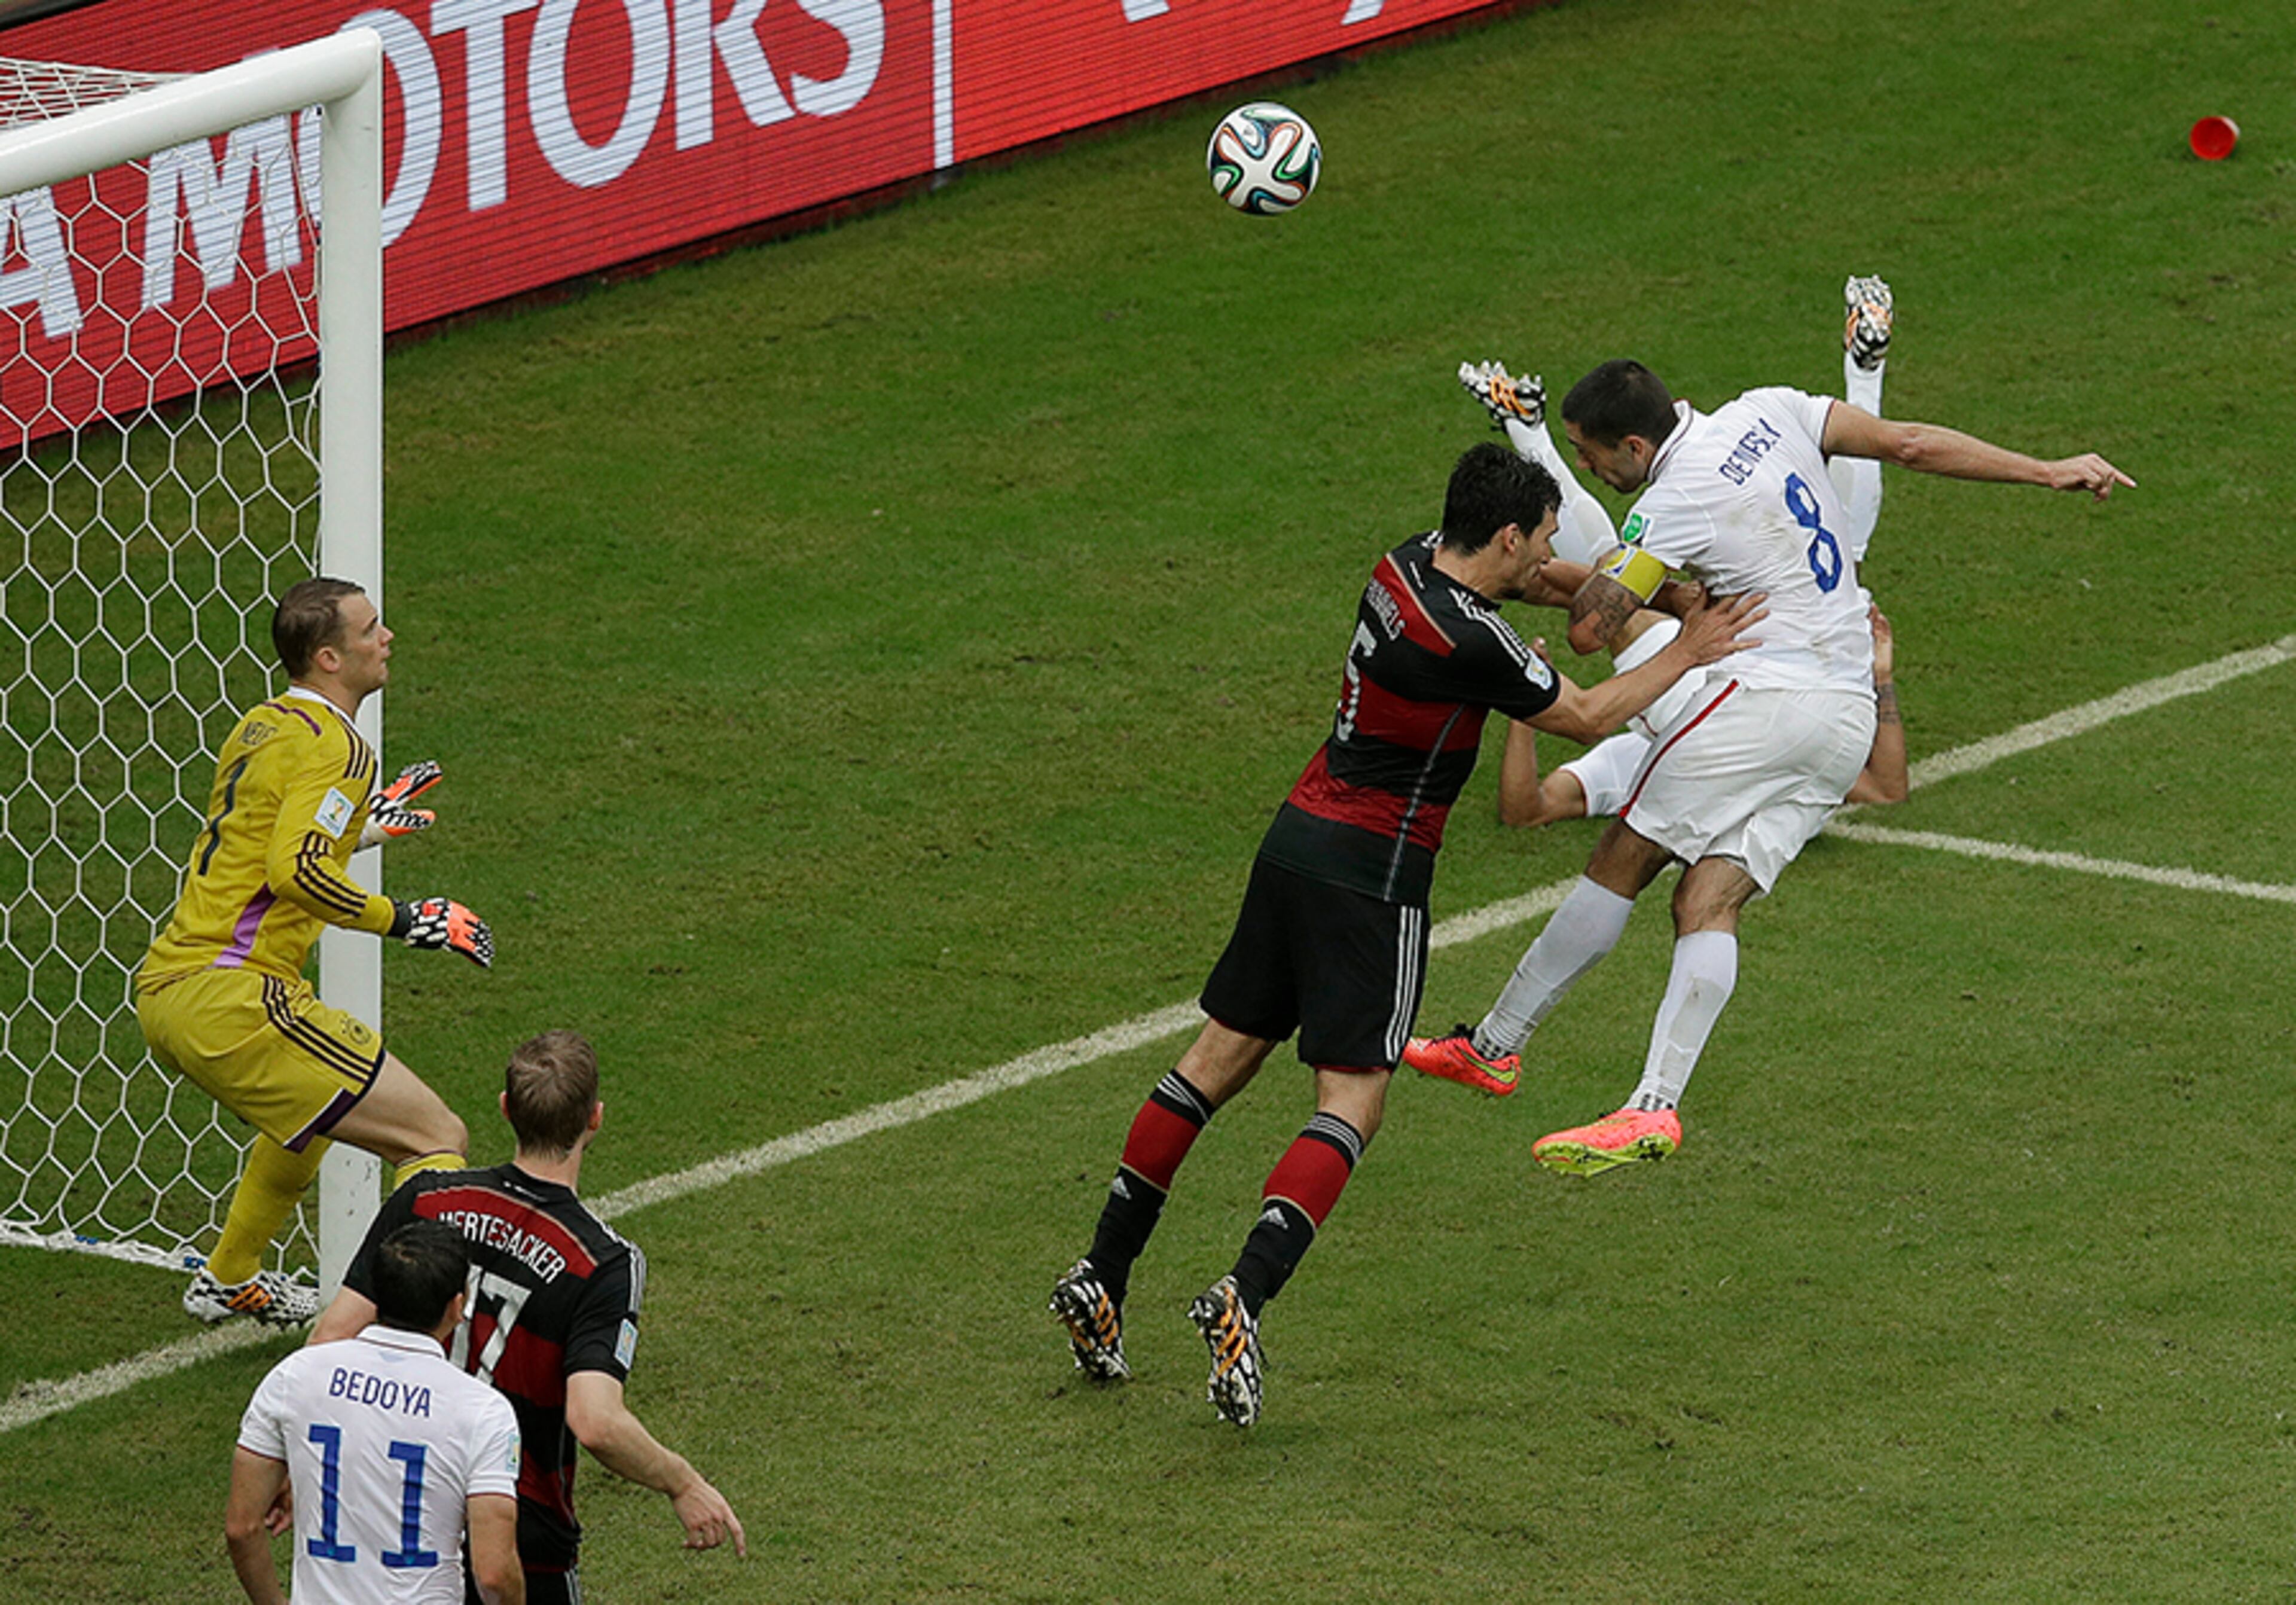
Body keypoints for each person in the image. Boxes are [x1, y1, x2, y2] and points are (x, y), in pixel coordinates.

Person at [1047, 444, 1766, 1427]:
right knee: (1354, 1097)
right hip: (1372, 877)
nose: (1552, 555)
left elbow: (1547, 588)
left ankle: (1101, 1272)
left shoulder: (1406, 562)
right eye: (1544, 539)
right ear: (1506, 534)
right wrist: (1691, 644)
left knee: (1213, 1059)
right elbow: (1589, 708)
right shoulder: (1473, 642)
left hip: (1295, 839)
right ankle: (1241, 1298)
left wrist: (1646, 592)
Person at [1405, 340, 2131, 1173]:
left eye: (1588, 452)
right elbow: (1912, 444)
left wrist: (1609, 576)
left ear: (1634, 448)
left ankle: (1496, 1044)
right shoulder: (1772, 406)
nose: (1585, 465)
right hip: (1846, 712)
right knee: (1709, 898)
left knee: (1625, 851)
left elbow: (1591, 630)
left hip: (1768, 701)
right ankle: (1653, 1108)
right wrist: (2047, 469)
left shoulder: (1670, 502)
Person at [138, 577, 494, 1327]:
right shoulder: (341, 744)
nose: (387, 636)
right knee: (435, 1136)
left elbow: (267, 841)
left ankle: (230, 1275)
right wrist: (406, 918)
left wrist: (365, 829)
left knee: (310, 1117)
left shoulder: (263, 725)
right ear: (330, 657)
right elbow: (293, 871)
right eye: (370, 630)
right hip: (238, 996)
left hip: (173, 990)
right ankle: (395, 1328)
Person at [312, 1030, 745, 1601]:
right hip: (518, 1527)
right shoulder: (602, 1263)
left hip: (399, 1504)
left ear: (505, 1108)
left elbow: (331, 1340)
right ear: (595, 1119)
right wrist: (683, 1482)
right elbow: (596, 1423)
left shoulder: (425, 1200)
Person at [227, 1220, 524, 1605]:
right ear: (456, 1306)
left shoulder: (296, 1375)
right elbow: (495, 1574)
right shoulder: (482, 1410)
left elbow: (242, 1527)